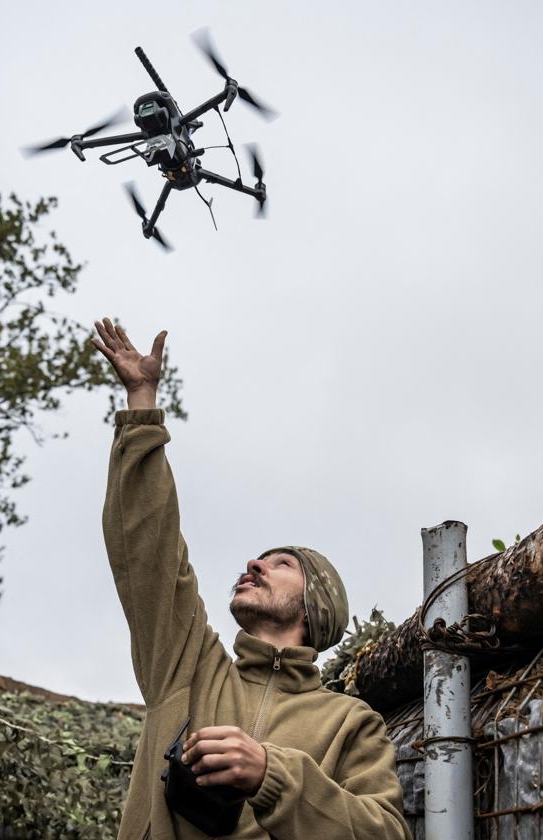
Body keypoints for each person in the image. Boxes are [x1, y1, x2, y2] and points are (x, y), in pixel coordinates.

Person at [93, 318, 409, 840]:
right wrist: (141, 405)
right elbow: (150, 553)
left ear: (316, 607)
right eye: (258, 561)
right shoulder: (185, 667)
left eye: (282, 564)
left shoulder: (351, 723)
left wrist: (271, 775)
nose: (255, 565)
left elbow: (385, 834)